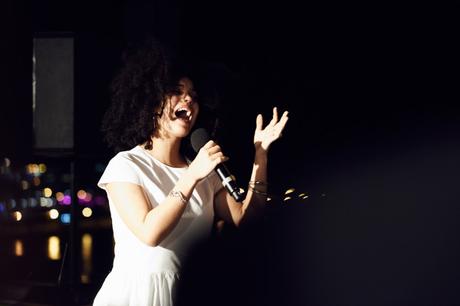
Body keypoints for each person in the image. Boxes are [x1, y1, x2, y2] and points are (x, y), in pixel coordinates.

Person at [93, 38, 289, 306]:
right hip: (138, 294)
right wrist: (192, 176)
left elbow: (247, 218)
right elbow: (149, 233)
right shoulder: (126, 165)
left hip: (189, 293)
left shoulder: (205, 173)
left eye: (194, 95)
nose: (189, 99)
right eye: (177, 90)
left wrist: (260, 155)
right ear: (150, 102)